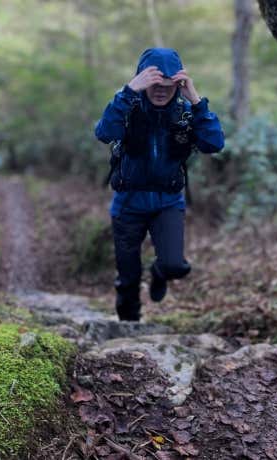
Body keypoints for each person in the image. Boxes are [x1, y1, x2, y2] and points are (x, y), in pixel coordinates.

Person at [94, 47, 225, 321]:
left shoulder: (186, 111)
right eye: (155, 84)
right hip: (128, 204)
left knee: (175, 265)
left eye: (168, 85)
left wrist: (197, 99)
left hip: (168, 202)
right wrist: (129, 90)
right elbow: (105, 133)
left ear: (178, 84)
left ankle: (159, 272)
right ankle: (128, 325)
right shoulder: (126, 106)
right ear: (143, 80)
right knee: (128, 275)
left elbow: (214, 144)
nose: (161, 91)